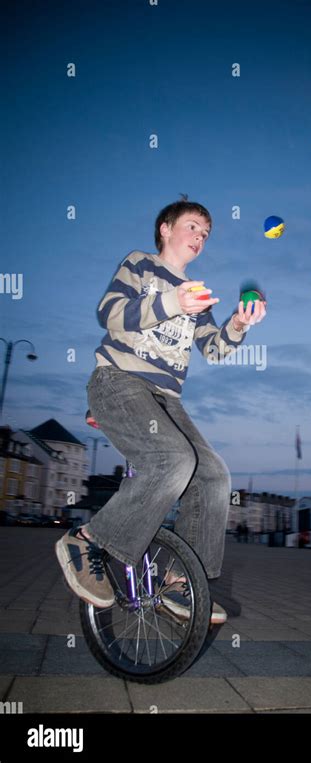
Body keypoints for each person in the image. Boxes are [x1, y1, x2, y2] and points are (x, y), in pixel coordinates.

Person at [55, 195, 267, 624]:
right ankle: (88, 542)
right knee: (173, 460)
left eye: (206, 234)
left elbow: (215, 349)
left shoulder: (201, 297)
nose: (200, 238)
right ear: (165, 229)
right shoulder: (140, 265)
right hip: (118, 382)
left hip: (166, 401)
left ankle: (181, 584)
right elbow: (109, 313)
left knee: (213, 474)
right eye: (192, 227)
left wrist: (239, 325)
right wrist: (172, 303)